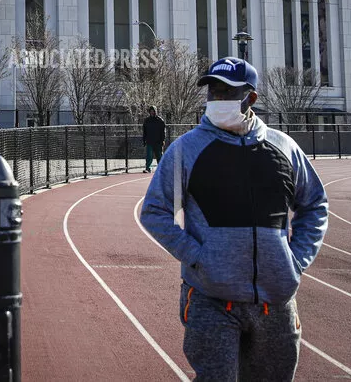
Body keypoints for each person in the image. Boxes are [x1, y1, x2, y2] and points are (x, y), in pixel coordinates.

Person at [139, 57, 328, 382]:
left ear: (250, 98)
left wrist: (295, 261)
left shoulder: (284, 148)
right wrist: (197, 256)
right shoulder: (186, 150)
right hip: (211, 301)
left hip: (276, 305)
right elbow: (154, 211)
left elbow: (314, 206)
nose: (217, 99)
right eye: (213, 91)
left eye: (227, 92)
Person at [142, 105, 166, 173]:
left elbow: (163, 132)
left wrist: (163, 140)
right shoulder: (147, 120)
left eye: (153, 111)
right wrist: (144, 140)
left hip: (158, 141)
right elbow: (144, 131)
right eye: (151, 111)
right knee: (149, 156)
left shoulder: (160, 120)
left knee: (159, 156)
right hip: (149, 141)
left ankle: (161, 168)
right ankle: (148, 168)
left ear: (155, 112)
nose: (152, 112)